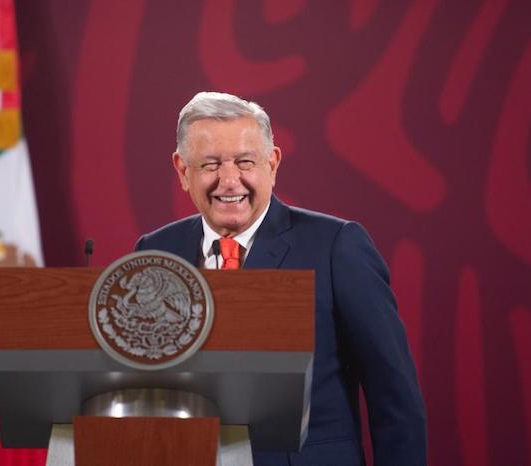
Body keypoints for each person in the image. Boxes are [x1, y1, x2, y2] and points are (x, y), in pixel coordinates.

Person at [135, 92, 427, 466]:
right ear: (182, 170)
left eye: (245, 162)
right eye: (210, 164)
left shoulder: (336, 246)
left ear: (272, 163)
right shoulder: (156, 251)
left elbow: (395, 399)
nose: (229, 180)